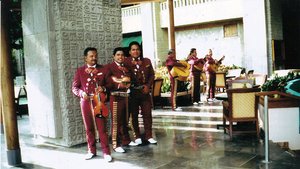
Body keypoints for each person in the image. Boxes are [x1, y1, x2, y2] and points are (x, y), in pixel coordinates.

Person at [72, 47, 112, 162]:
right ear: (85, 58)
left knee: (102, 127)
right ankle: (91, 150)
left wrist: (103, 88)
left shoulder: (103, 69)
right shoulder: (80, 70)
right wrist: (81, 93)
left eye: (95, 55)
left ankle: (106, 152)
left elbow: (110, 85)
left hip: (99, 102)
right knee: (89, 127)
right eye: (91, 56)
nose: (94, 58)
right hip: (85, 102)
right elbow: (74, 87)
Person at [105, 47, 138, 153]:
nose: (120, 57)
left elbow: (132, 79)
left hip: (127, 98)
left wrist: (129, 84)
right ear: (114, 56)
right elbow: (107, 82)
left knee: (125, 120)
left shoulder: (127, 67)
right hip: (116, 97)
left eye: (122, 55)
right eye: (118, 55)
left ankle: (126, 140)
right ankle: (116, 144)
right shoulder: (109, 67)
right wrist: (120, 84)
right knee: (116, 122)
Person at [124, 41, 157, 145]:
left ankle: (149, 136)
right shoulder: (126, 62)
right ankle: (137, 136)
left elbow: (152, 75)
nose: (136, 51)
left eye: (137, 49)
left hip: (145, 91)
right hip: (133, 92)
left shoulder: (146, 61)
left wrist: (148, 86)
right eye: (133, 49)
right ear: (129, 51)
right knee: (134, 115)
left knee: (147, 114)